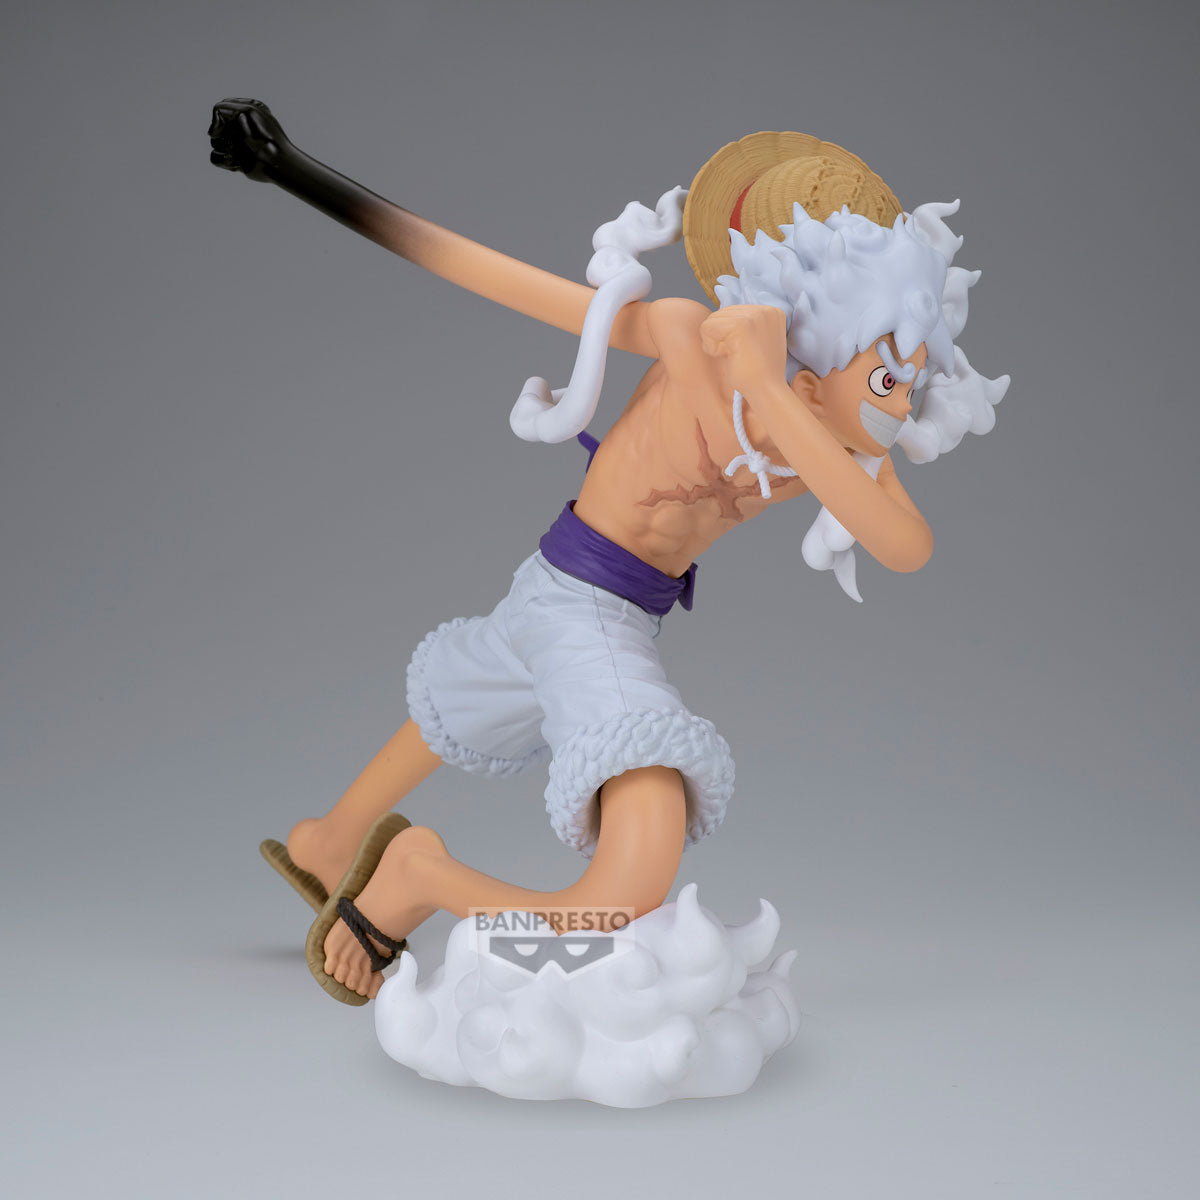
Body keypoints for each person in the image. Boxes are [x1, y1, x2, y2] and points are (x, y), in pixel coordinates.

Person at [238, 124, 1008, 1004]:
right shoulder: (693, 338)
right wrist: (289, 169)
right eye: (884, 378)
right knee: (626, 896)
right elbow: (505, 280)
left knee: (462, 700)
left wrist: (772, 389)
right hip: (580, 608)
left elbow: (905, 546)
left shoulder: (834, 440)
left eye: (910, 380)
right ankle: (419, 876)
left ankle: (328, 844)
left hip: (569, 596)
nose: (899, 407)